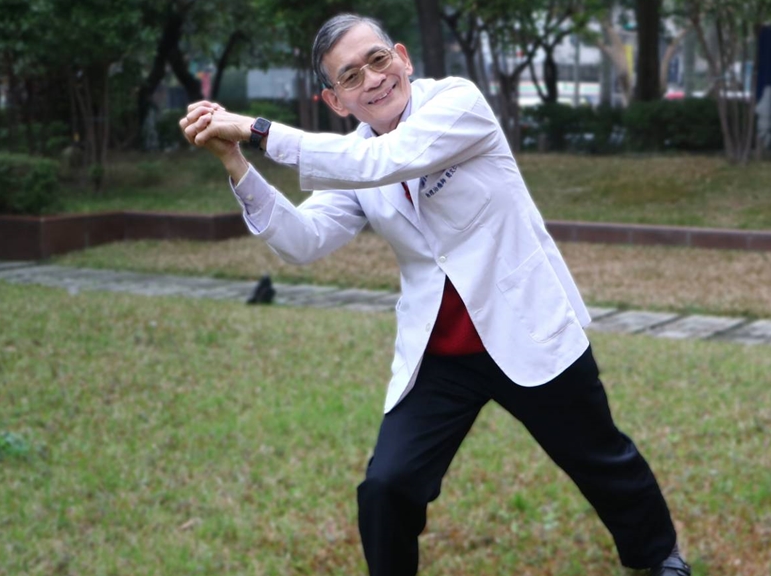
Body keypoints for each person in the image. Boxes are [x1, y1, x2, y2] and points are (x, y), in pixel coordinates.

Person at [180, 13, 690, 576]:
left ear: (402, 57)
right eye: (350, 76)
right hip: (440, 356)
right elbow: (305, 241)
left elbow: (387, 160)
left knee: (600, 457)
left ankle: (660, 557)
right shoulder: (354, 160)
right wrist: (235, 161)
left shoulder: (457, 103)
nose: (373, 79)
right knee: (387, 485)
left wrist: (255, 129)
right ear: (335, 101)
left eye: (378, 60)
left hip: (525, 325)